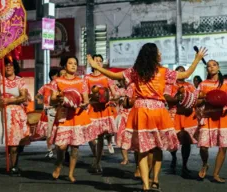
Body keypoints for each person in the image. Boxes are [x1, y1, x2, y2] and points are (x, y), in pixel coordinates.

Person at [87, 43, 207, 191]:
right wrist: (197, 59)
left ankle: (145, 185)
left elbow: (114, 75)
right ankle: (155, 180)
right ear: (154, 55)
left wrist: (97, 67)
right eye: (159, 52)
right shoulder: (163, 71)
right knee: (158, 148)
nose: (161, 54)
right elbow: (186, 74)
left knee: (142, 149)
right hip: (158, 111)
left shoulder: (135, 71)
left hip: (141, 110)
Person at [49, 56, 97, 182]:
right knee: (61, 146)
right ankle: (59, 164)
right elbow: (52, 99)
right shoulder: (57, 81)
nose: (73, 65)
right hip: (64, 115)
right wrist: (60, 99)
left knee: (75, 147)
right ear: (65, 66)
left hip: (77, 115)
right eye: (70, 63)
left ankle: (71, 173)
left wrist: (83, 104)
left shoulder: (82, 82)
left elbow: (86, 100)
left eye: (75, 63)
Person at [84, 54, 117, 174]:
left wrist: (111, 97)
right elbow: (85, 94)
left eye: (100, 61)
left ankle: (97, 162)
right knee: (91, 137)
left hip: (104, 110)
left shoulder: (107, 77)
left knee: (101, 136)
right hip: (92, 109)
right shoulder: (87, 78)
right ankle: (96, 157)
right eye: (95, 60)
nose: (98, 62)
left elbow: (114, 93)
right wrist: (90, 98)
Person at [0, 57, 30, 175]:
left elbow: (24, 97)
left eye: (10, 65)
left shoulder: (20, 81)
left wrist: (9, 100)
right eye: (6, 65)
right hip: (0, 113)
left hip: (15, 114)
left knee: (14, 143)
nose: (8, 67)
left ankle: (14, 166)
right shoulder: (0, 81)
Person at [164, 66, 198, 177]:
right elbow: (166, 97)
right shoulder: (170, 85)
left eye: (183, 71)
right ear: (175, 73)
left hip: (188, 115)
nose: (181, 73)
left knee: (186, 142)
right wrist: (177, 97)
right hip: (174, 115)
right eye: (179, 71)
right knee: (173, 141)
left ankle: (184, 165)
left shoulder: (190, 86)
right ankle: (174, 157)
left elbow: (195, 98)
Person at [197, 60, 227, 183]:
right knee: (203, 147)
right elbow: (196, 101)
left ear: (218, 67)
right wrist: (204, 98)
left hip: (222, 117)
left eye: (214, 65)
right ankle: (205, 164)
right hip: (208, 117)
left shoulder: (225, 83)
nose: (211, 67)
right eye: (208, 66)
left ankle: (216, 174)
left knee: (223, 147)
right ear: (206, 69)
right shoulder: (203, 84)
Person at [35, 68, 59, 158]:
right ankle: (49, 150)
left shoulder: (59, 86)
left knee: (56, 132)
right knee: (48, 133)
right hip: (47, 111)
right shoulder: (45, 86)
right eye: (56, 75)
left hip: (57, 111)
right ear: (52, 76)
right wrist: (41, 101)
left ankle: (57, 150)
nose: (57, 77)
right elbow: (37, 95)